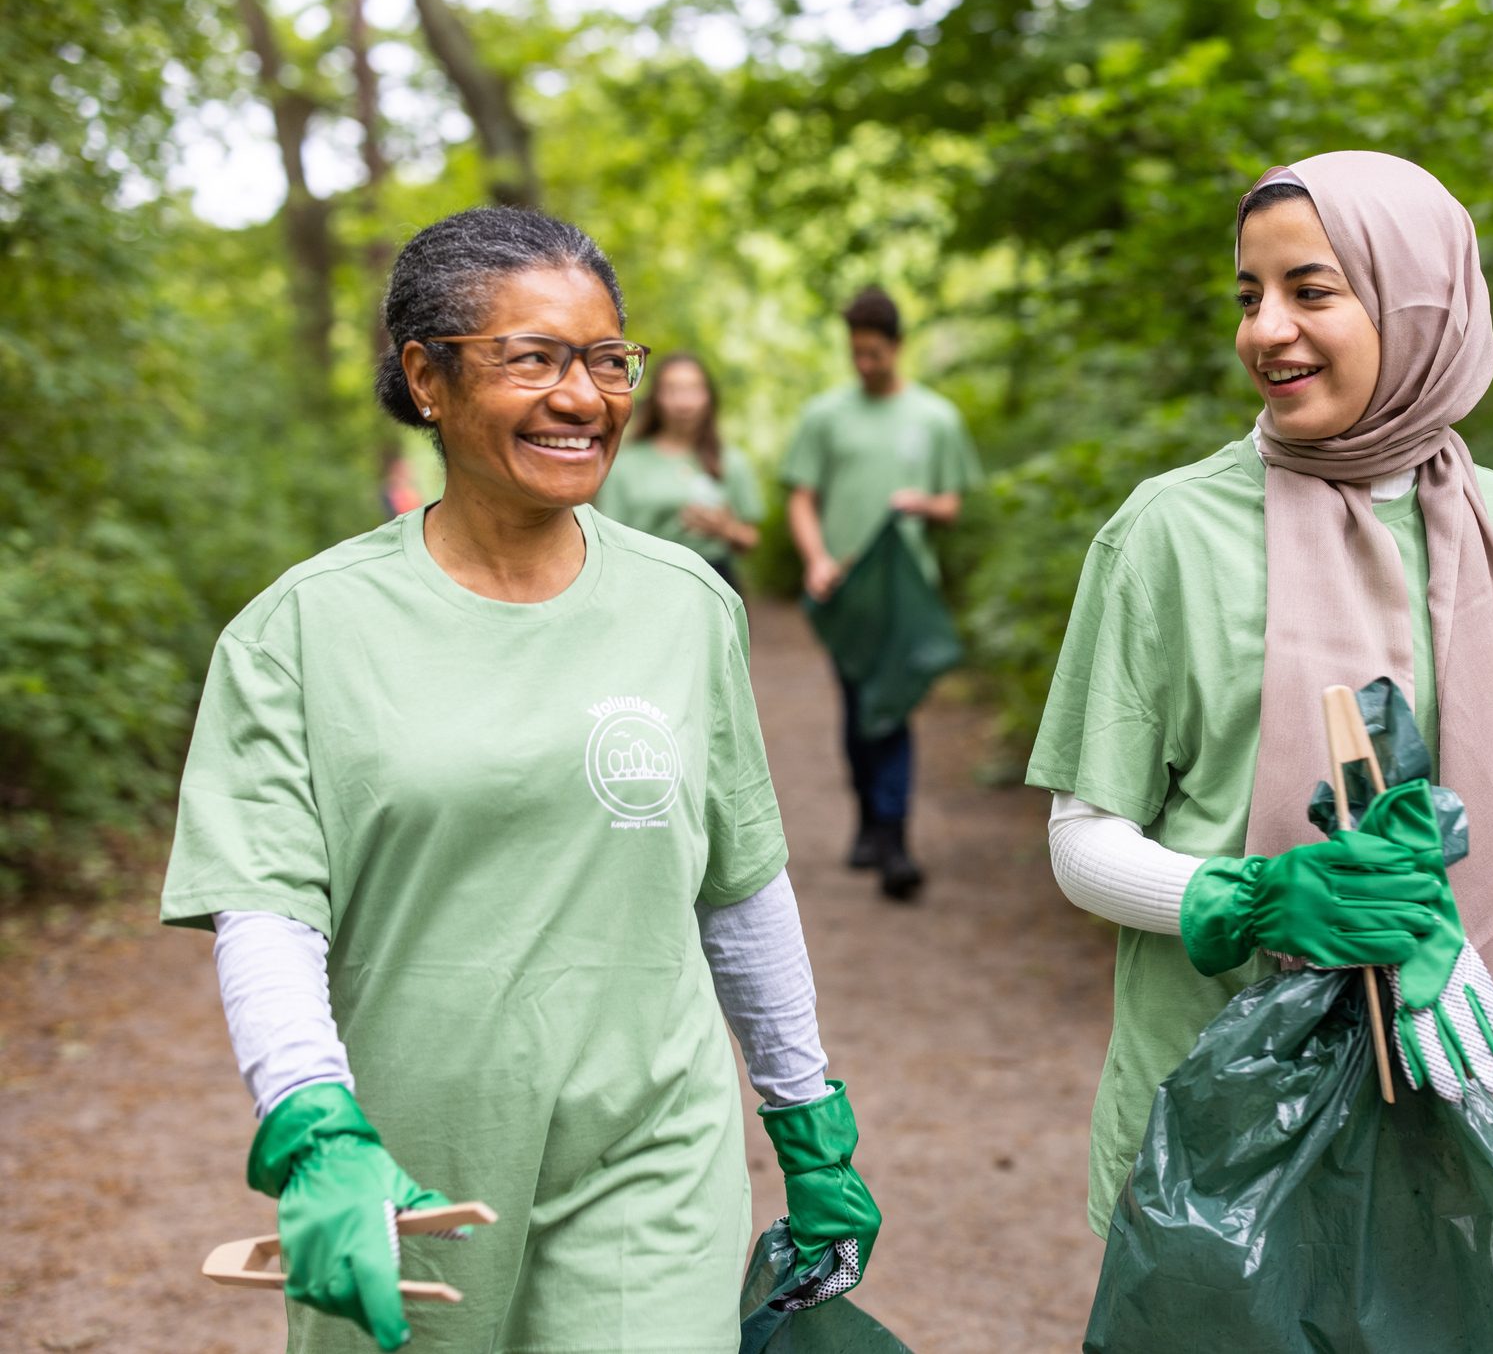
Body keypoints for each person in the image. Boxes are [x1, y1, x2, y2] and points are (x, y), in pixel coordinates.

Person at [161, 208, 880, 1354]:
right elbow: (267, 908)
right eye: (534, 358)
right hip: (409, 1157)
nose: (585, 396)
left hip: (652, 1143)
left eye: (607, 359)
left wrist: (806, 1112)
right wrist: (309, 1120)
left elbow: (738, 880)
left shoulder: (685, 604)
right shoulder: (299, 631)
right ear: (426, 378)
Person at [1028, 152, 1493, 1252]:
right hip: (1215, 1147)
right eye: (1247, 295)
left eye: (1309, 290)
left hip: (1456, 1121)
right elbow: (1081, 841)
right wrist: (1258, 896)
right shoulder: (1166, 535)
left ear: (1415, 299)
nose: (1264, 330)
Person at [782, 286, 981, 901]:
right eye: (856, 353)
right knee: (855, 707)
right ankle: (870, 815)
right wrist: (815, 559)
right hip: (846, 590)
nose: (865, 364)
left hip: (904, 591)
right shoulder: (825, 416)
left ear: (897, 346)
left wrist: (918, 503)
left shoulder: (935, 417)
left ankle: (894, 840)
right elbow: (801, 497)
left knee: (890, 706)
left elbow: (952, 503)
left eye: (874, 353)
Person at [597, 351, 764, 591]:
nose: (684, 401)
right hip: (644, 583)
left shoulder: (731, 461)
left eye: (694, 389)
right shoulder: (624, 464)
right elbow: (606, 540)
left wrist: (726, 529)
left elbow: (750, 540)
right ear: (656, 398)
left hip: (716, 582)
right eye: (672, 390)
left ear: (709, 397)